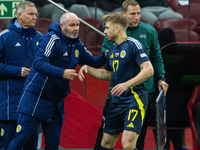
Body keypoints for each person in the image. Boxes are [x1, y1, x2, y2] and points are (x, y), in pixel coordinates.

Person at [7, 12, 107, 150]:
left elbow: (93, 62)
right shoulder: (51, 39)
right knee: (22, 138)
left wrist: (107, 55)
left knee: (53, 143)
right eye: (72, 25)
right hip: (36, 96)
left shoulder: (77, 44)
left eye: (77, 25)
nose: (76, 28)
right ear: (62, 25)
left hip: (56, 101)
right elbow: (39, 63)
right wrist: (62, 73)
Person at [93, 0, 169, 150]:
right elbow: (108, 66)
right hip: (116, 94)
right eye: (132, 14)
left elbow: (156, 57)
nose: (136, 17)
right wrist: (88, 68)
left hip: (143, 92)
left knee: (136, 140)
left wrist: (161, 78)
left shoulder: (149, 31)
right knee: (103, 138)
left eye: (138, 13)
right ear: (123, 15)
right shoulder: (113, 33)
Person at [78, 12, 154, 150]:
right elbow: (108, 74)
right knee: (105, 143)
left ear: (117, 28)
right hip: (117, 101)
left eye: (107, 27)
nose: (105, 31)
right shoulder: (112, 49)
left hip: (134, 100)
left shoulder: (133, 45)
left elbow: (148, 70)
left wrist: (127, 84)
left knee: (128, 144)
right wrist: (89, 69)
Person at [0, 1, 43, 150]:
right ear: (19, 15)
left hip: (33, 104)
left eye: (35, 14)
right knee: (8, 145)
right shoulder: (3, 37)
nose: (35, 17)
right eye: (31, 14)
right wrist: (17, 71)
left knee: (31, 146)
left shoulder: (41, 39)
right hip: (10, 104)